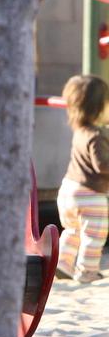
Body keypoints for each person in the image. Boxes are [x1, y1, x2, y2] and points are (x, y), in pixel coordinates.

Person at [55, 74, 109, 284]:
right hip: (90, 195)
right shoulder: (96, 135)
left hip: (68, 190)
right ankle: (87, 272)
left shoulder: (80, 131)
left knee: (72, 231)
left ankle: (63, 265)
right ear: (99, 107)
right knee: (94, 235)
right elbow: (101, 164)